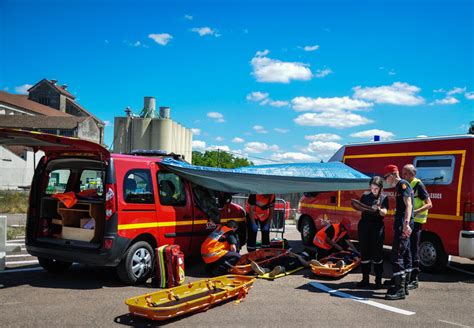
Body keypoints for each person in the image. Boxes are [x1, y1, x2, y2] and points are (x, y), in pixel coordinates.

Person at [383, 164, 414, 300]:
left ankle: (399, 289)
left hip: (403, 225)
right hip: (402, 224)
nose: (386, 180)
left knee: (396, 255)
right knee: (406, 253)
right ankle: (404, 285)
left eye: (386, 177)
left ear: (392, 174)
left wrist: (406, 223)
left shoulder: (403, 185)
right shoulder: (400, 186)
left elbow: (409, 205)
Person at [352, 176, 388, 289]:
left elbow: (384, 213)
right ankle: (365, 279)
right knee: (365, 253)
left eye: (376, 188)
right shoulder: (365, 196)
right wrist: (359, 207)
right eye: (372, 188)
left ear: (381, 188)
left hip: (377, 227)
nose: (373, 190)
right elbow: (360, 208)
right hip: (364, 226)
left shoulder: (384, 198)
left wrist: (379, 209)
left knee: (377, 254)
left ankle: (378, 280)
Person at [402, 164, 432, 290]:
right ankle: (406, 277)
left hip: (417, 221)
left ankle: (414, 279)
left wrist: (414, 212)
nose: (403, 176)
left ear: (412, 175)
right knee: (406, 249)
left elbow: (429, 204)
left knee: (413, 249)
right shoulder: (406, 184)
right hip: (409, 222)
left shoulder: (418, 184)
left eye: (405, 174)